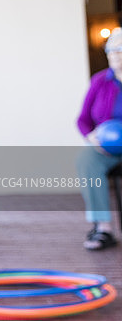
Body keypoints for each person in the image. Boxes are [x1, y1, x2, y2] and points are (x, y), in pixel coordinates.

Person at [76, 27, 122, 250]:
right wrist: (91, 136)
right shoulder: (99, 81)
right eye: (112, 51)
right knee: (86, 160)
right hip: (106, 149)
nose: (117, 56)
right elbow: (82, 120)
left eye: (121, 50)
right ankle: (103, 228)